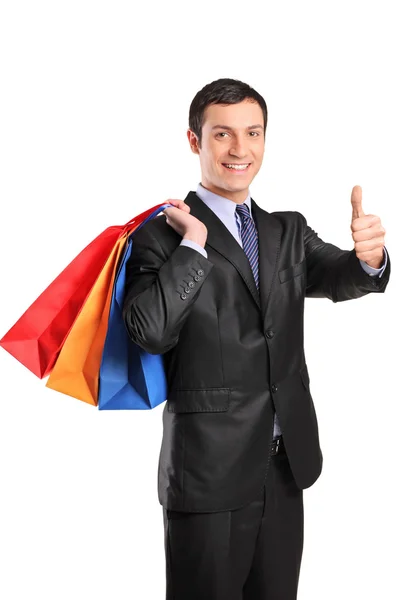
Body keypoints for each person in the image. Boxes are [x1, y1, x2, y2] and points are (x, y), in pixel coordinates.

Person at [122, 78, 390, 600]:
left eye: (253, 133)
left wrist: (369, 259)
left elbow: (340, 275)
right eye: (222, 134)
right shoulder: (159, 236)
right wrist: (193, 248)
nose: (239, 149)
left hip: (284, 464)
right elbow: (149, 332)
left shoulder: (286, 231)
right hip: (208, 474)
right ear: (195, 141)